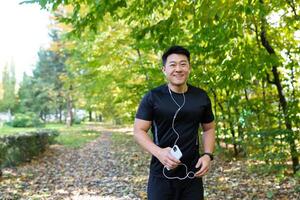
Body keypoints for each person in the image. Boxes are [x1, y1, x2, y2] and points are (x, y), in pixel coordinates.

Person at [133, 45, 215, 200]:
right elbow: (139, 131)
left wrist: (208, 155)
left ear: (189, 68)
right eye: (172, 64)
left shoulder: (201, 96)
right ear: (164, 70)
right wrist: (159, 153)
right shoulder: (153, 97)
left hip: (193, 174)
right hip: (161, 174)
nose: (178, 69)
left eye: (183, 64)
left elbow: (209, 128)